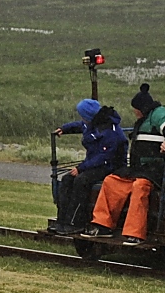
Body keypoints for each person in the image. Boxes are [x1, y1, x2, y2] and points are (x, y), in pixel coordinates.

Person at [82, 83, 165, 246]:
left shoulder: (158, 114)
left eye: (135, 109)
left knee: (139, 187)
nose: (134, 112)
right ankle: (102, 225)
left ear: (141, 108)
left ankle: (135, 233)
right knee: (111, 181)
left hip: (155, 170)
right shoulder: (144, 119)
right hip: (139, 169)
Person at [51, 99, 127, 235]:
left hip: (110, 166)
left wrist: (81, 168)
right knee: (67, 179)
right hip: (94, 163)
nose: (81, 119)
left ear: (88, 116)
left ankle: (76, 222)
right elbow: (80, 126)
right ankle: (62, 221)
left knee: (81, 180)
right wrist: (65, 128)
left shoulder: (110, 131)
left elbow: (104, 157)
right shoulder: (91, 123)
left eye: (82, 116)